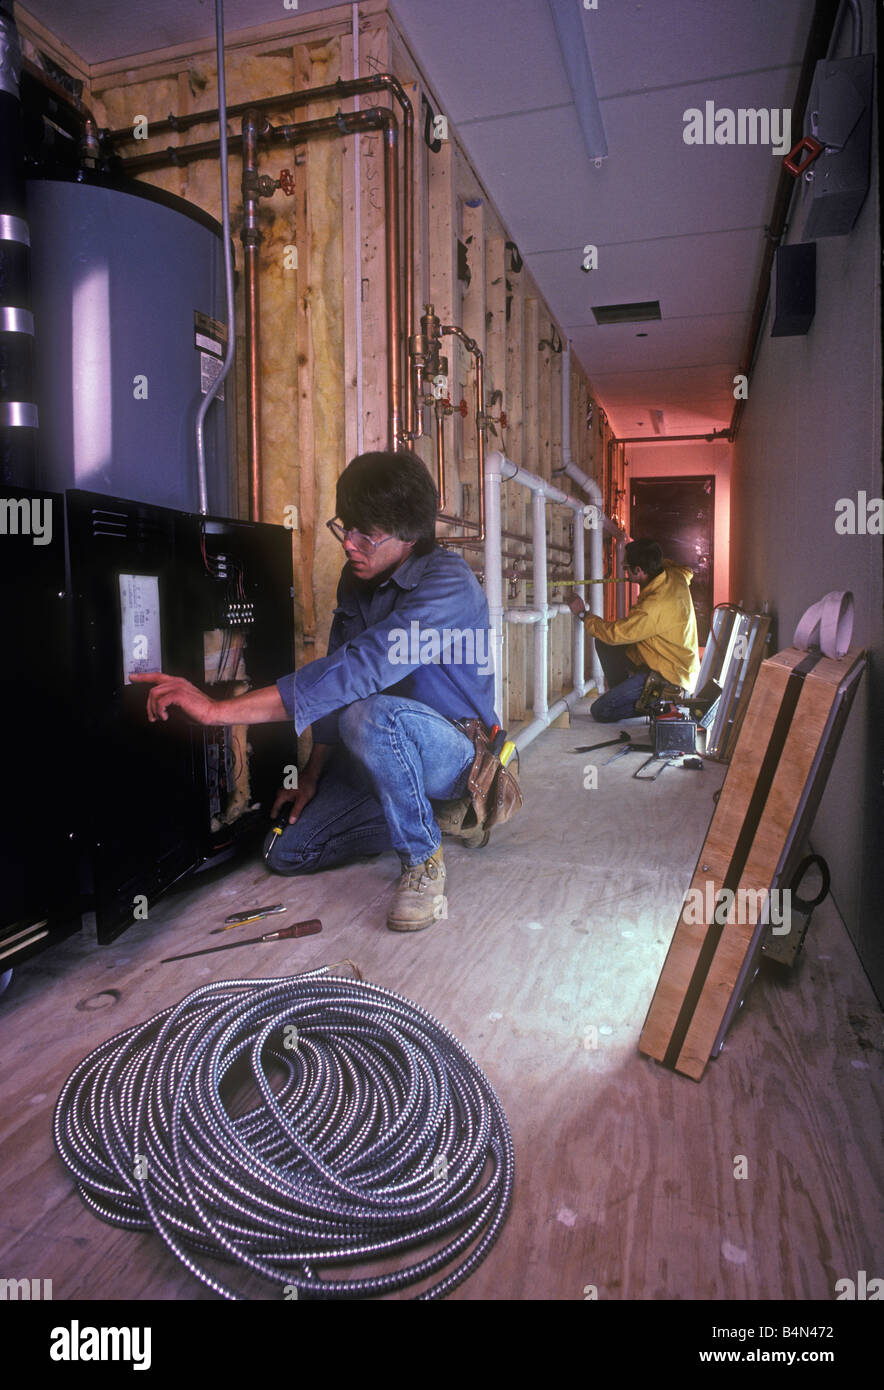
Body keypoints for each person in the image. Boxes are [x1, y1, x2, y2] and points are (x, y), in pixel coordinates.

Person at [133, 450, 500, 933]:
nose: (349, 544)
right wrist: (310, 775)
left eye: (366, 535)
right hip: (380, 747)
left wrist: (216, 711)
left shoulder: (448, 584)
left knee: (370, 714)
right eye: (345, 527)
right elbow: (335, 682)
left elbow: (358, 672)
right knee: (287, 851)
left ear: (409, 536)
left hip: (453, 754)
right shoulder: (357, 581)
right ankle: (429, 813)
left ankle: (424, 858)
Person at [568, 538, 700, 722]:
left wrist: (583, 614)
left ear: (638, 570)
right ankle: (628, 693)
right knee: (605, 645)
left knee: (601, 710)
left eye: (626, 567)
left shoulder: (652, 607)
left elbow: (615, 634)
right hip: (669, 662)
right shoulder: (675, 575)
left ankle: (659, 704)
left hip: (669, 678)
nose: (624, 571)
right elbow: (686, 570)